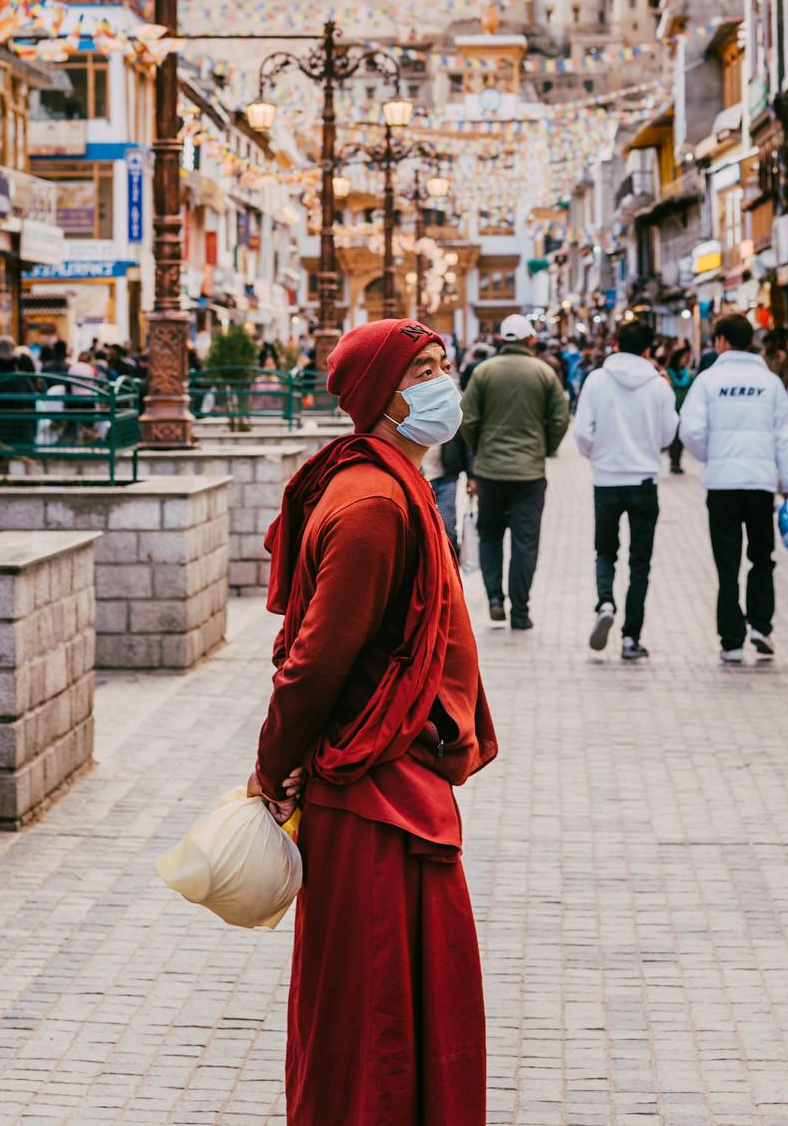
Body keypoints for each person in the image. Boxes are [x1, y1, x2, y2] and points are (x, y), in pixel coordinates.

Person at [249, 317, 497, 1126]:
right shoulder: (373, 503)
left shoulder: (390, 484)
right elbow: (316, 661)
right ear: (382, 397)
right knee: (377, 1005)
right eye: (422, 368)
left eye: (442, 363)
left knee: (392, 998)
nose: (441, 380)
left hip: (392, 781)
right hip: (371, 794)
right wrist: (270, 766)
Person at [679, 313, 788, 664]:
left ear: (720, 341)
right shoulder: (770, 384)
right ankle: (761, 626)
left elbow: (690, 431)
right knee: (762, 557)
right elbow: (786, 439)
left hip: (722, 485)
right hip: (760, 484)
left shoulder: (707, 381)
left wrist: (712, 456)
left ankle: (731, 640)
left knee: (727, 565)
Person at [573, 316, 677, 661]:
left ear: (615, 344)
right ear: (649, 349)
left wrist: (598, 456)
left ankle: (605, 601)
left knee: (605, 550)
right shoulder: (659, 385)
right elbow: (667, 436)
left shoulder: (597, 380)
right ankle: (631, 638)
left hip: (606, 480)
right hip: (644, 481)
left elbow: (583, 432)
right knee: (640, 561)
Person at [460, 313, 570, 631]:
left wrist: (480, 451)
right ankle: (520, 611)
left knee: (491, 534)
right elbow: (560, 419)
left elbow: (466, 419)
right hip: (529, 474)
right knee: (525, 541)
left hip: (490, 471)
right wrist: (545, 447)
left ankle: (495, 599)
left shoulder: (483, 373)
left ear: (502, 341)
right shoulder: (544, 373)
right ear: (530, 340)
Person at [663, 344, 693, 473]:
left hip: (685, 408)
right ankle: (673, 461)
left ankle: (677, 460)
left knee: (681, 437)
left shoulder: (688, 374)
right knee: (674, 436)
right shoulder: (667, 373)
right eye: (683, 358)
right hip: (672, 408)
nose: (685, 360)